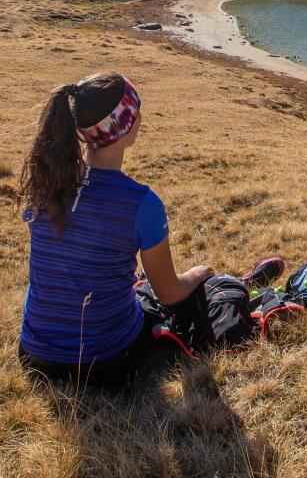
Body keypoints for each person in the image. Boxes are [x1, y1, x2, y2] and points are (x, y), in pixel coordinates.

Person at [17, 72, 283, 385]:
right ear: (128, 124)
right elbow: (170, 292)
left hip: (35, 356)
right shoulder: (140, 203)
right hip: (106, 360)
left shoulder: (46, 186)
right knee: (183, 298)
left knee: (139, 287)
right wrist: (199, 274)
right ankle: (232, 285)